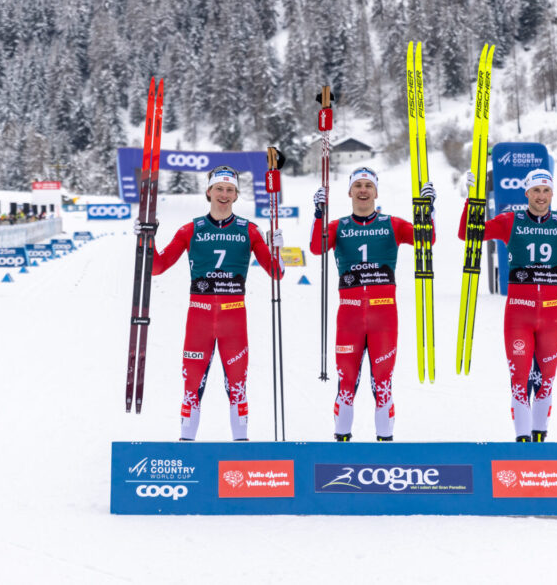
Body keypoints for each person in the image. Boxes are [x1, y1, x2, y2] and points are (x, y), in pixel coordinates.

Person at [461, 167, 557, 442]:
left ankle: (539, 439)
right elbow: (468, 234)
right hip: (518, 315)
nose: (541, 196)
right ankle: (522, 442)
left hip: (551, 316)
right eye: (536, 190)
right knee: (520, 382)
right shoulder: (510, 220)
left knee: (546, 382)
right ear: (527, 193)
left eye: (546, 190)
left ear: (552, 193)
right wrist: (471, 200)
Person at [150, 166, 284, 441]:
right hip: (198, 320)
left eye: (230, 190)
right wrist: (146, 239)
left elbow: (276, 272)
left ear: (236, 195)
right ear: (209, 192)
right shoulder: (190, 229)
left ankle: (241, 445)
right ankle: (186, 444)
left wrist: (278, 250)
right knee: (191, 386)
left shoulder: (251, 230)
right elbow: (158, 266)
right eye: (219, 189)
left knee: (238, 386)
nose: (224, 194)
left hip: (233, 321)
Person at [310, 167, 436, 442]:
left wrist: (429, 212)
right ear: (350, 192)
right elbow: (316, 248)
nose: (363, 190)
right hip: (350, 316)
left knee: (383, 384)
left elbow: (426, 241)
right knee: (346, 384)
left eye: (368, 185)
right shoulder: (338, 226)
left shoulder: (393, 224)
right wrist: (319, 214)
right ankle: (342, 443)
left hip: (384, 317)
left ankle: (385, 446)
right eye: (358, 186)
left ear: (376, 192)